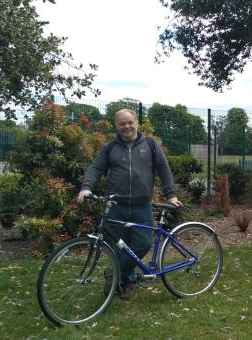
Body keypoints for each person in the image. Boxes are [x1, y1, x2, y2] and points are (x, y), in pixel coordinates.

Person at [77, 108, 182, 300]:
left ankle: (114, 274)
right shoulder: (110, 148)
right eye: (122, 123)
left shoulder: (150, 145)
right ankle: (128, 283)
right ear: (117, 126)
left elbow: (163, 169)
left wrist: (171, 195)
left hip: (142, 206)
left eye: (129, 122)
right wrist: (86, 187)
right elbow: (95, 168)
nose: (126, 126)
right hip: (116, 206)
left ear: (136, 123)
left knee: (142, 244)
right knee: (120, 248)